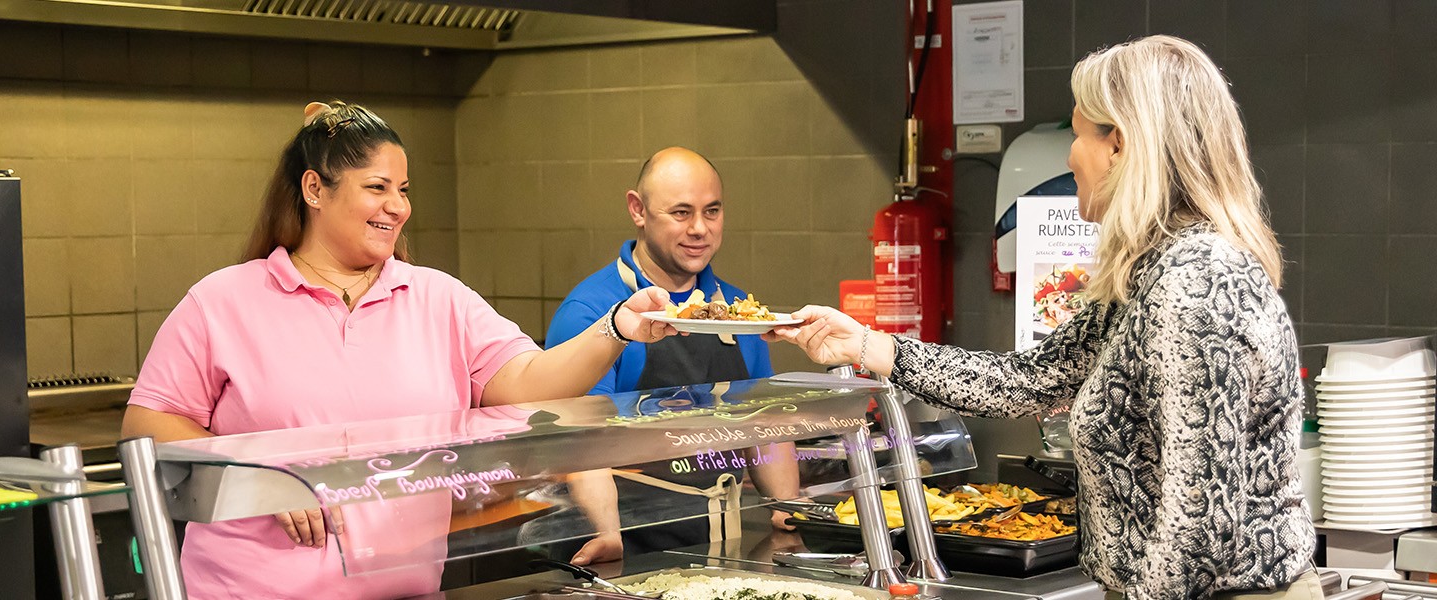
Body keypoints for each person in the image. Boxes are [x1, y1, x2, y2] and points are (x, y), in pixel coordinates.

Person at [767, 36, 1318, 600]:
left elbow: (1199, 524)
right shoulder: (1151, 273)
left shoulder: (1195, 281)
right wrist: (863, 344)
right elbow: (1026, 380)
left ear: (1121, 146)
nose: (1069, 157)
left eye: (1079, 135)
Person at [121, 100, 678, 600]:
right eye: (377, 187)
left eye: (403, 190)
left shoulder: (438, 298)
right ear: (315, 189)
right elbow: (145, 425)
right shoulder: (223, 301)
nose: (398, 206)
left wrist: (617, 327)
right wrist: (258, 471)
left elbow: (531, 379)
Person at [544, 147, 800, 560]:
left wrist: (788, 507)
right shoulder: (592, 313)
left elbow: (764, 426)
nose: (700, 228)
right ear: (637, 210)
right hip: (627, 542)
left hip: (721, 540)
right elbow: (581, 442)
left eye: (712, 211)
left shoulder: (739, 311)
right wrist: (609, 534)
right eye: (681, 213)